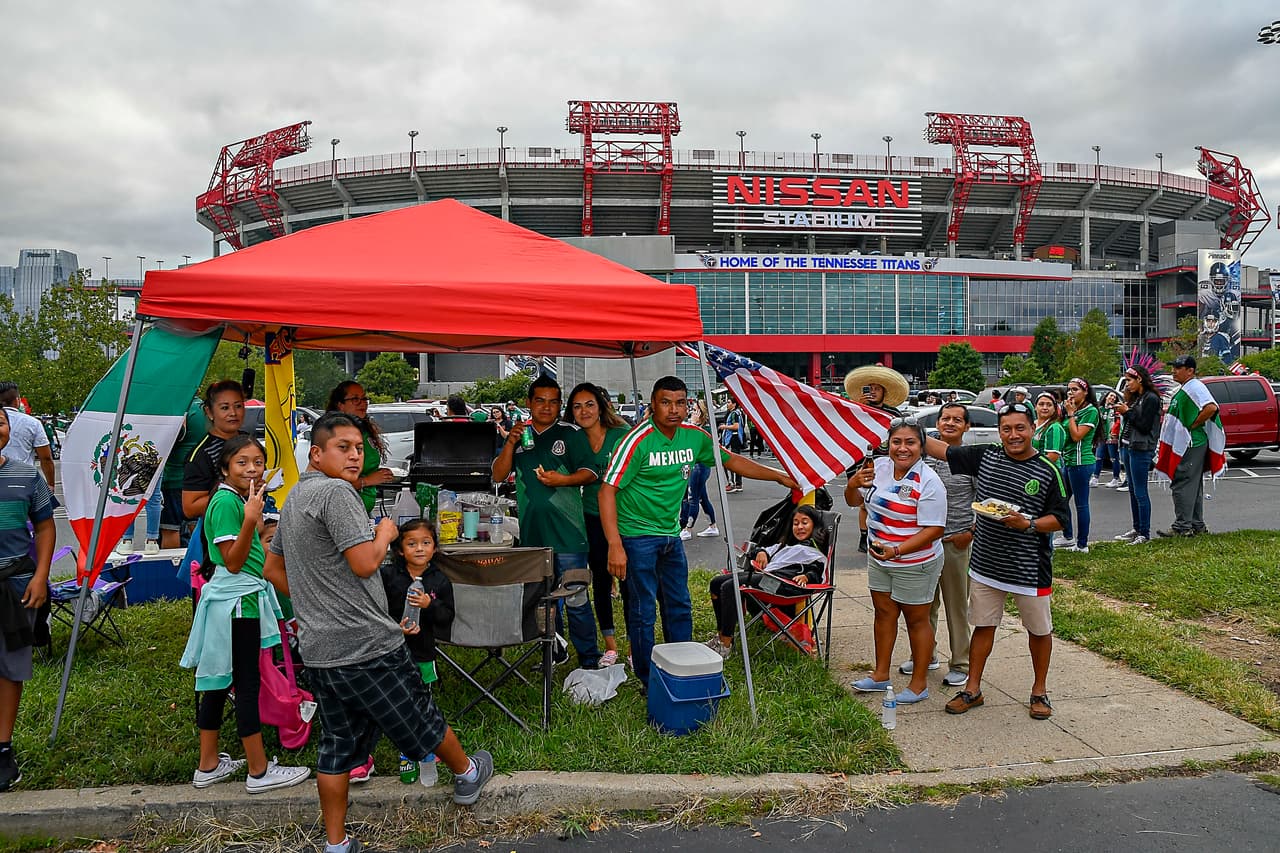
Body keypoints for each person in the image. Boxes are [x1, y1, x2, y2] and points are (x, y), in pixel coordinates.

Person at [264, 413, 493, 852]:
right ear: (316, 453)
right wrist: (385, 533)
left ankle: (336, 843)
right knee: (419, 715)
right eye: (342, 447)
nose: (354, 455)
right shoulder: (337, 493)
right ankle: (467, 773)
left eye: (358, 448)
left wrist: (318, 602)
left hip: (320, 649)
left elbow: (273, 566)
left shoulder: (294, 499)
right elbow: (366, 563)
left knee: (336, 747)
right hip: (367, 644)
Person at [599, 376, 797, 691]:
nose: (674, 410)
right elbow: (607, 491)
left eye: (681, 402)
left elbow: (732, 460)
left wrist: (777, 476)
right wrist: (614, 545)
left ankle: (679, 669)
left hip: (670, 535)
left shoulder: (695, 438)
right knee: (642, 610)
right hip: (636, 537)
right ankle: (648, 678)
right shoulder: (637, 440)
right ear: (654, 404)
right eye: (666, 402)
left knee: (679, 604)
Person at [924, 403, 1070, 721]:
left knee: (1039, 630)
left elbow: (1061, 519)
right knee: (983, 625)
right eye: (1006, 429)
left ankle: (1039, 691)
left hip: (1029, 567)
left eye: (1020, 428)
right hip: (986, 565)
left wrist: (1028, 524)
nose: (1013, 435)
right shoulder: (987, 455)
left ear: (1033, 429)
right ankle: (972, 689)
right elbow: (941, 450)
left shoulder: (1049, 469)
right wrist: (900, 431)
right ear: (999, 431)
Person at [180, 436, 309, 794]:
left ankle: (208, 765)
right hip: (238, 602)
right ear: (224, 469)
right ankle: (258, 770)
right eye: (242, 462)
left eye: (257, 462)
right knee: (247, 684)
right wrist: (252, 519)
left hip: (232, 601)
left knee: (219, 684)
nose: (251, 468)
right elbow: (234, 562)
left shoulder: (235, 498)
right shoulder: (225, 502)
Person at [491, 376, 601, 670]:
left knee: (576, 599)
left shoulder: (571, 434)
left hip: (569, 535)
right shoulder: (519, 435)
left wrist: (563, 480)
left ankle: (589, 660)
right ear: (529, 403)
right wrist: (509, 443)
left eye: (553, 402)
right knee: (544, 603)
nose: (547, 407)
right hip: (533, 535)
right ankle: (555, 653)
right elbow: (499, 475)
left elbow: (591, 473)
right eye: (540, 400)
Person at [846, 418, 947, 704]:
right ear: (888, 444)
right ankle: (880, 675)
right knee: (883, 614)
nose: (903, 448)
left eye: (910, 442)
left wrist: (898, 550)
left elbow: (935, 529)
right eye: (897, 442)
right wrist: (853, 484)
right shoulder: (877, 468)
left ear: (922, 446)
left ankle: (918, 684)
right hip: (881, 558)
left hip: (916, 562)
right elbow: (855, 501)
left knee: (917, 621)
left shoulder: (929, 481)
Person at [349, 519, 454, 786]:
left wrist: (430, 604)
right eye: (412, 544)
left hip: (423, 652)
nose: (420, 549)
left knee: (422, 699)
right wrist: (394, 628)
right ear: (399, 550)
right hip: (388, 651)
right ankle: (369, 752)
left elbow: (447, 618)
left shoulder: (439, 580)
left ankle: (426, 744)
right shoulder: (388, 577)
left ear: (435, 548)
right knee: (384, 701)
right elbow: (374, 609)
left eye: (426, 543)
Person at [0, 408, 55, 792]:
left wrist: (40, 577)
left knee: (10, 668)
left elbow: (46, 525)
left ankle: (3, 748)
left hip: (15, 586)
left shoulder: (26, 474)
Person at [909, 402, 975, 689]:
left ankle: (961, 663)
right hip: (924, 543)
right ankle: (926, 655)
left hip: (955, 542)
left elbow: (986, 503)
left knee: (956, 606)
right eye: (945, 418)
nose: (950, 423)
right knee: (924, 605)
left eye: (957, 420)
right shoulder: (923, 459)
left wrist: (970, 533)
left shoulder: (972, 459)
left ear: (966, 426)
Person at [705, 505, 827, 657]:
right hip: (770, 579)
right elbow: (761, 550)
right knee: (716, 583)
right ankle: (721, 636)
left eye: (805, 522)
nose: (800, 527)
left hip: (785, 585)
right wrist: (762, 552)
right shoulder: (786, 545)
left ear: (814, 525)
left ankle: (726, 644)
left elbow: (817, 571)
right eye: (796, 523)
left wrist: (807, 577)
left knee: (730, 586)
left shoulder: (813, 551)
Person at [567, 382, 629, 669]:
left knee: (630, 584)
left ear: (601, 406)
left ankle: (635, 646)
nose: (584, 411)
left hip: (625, 519)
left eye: (589, 404)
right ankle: (611, 646)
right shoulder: (574, 440)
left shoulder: (622, 434)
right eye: (577, 406)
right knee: (601, 582)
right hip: (591, 516)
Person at [843, 365, 908, 554]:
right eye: (869, 388)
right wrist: (861, 409)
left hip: (888, 464)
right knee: (864, 502)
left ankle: (886, 533)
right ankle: (864, 536)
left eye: (876, 388)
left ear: (884, 392)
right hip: (864, 462)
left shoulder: (894, 414)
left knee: (886, 500)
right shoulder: (857, 411)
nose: (872, 392)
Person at [1157, 355, 1219, 538]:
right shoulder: (1187, 387)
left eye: (1178, 368)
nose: (1173, 371)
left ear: (1190, 370)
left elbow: (1211, 408)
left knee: (1182, 482)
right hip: (1190, 442)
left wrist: (1192, 424)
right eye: (1174, 367)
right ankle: (1196, 525)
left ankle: (1182, 527)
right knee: (1192, 485)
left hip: (1191, 443)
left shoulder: (1196, 387)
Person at [324, 382, 395, 515]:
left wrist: (380, 475)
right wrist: (368, 480)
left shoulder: (363, 429)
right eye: (355, 399)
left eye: (364, 398)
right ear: (340, 405)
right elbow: (332, 487)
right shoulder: (333, 434)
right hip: (344, 512)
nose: (362, 403)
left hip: (362, 511)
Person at [183, 381, 249, 522]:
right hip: (221, 530)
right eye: (225, 408)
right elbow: (190, 507)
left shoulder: (249, 442)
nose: (233, 413)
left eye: (238, 406)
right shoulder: (201, 454)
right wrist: (239, 490)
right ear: (209, 412)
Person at [1112, 365, 1161, 546]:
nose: (1127, 384)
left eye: (1129, 380)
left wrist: (1127, 411)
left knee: (1140, 492)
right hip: (1129, 446)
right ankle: (1137, 528)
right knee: (1133, 491)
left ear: (1139, 379)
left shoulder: (1151, 398)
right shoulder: (1138, 397)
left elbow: (1144, 425)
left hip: (1142, 448)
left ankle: (1144, 533)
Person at [1056, 379, 1099, 554]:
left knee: (1081, 504)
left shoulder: (1091, 411)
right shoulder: (1073, 410)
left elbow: (1076, 436)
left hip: (1081, 462)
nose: (1071, 393)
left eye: (1075, 390)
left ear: (1085, 391)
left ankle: (1082, 544)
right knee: (1062, 500)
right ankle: (1067, 536)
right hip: (1069, 461)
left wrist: (1071, 414)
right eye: (1069, 390)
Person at [160, 396, 207, 549]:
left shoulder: (178, 407)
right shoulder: (206, 409)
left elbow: (167, 442)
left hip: (174, 477)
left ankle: (170, 568)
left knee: (170, 529)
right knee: (197, 527)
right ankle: (200, 564)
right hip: (200, 478)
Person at [0, 383, 54, 495]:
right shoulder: (32, 423)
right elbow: (46, 458)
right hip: (24, 482)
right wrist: (50, 484)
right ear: (17, 400)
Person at [680, 399, 717, 540]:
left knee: (692, 498)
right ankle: (712, 526)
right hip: (697, 466)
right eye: (692, 410)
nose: (692, 413)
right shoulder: (696, 427)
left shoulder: (703, 429)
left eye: (695, 410)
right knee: (702, 498)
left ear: (702, 413)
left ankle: (688, 529)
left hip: (699, 467)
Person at [1094, 391, 1122, 488]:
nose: (1112, 398)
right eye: (1111, 396)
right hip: (1101, 436)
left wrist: (1114, 432)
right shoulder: (1100, 409)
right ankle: (1095, 478)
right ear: (1106, 397)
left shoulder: (1117, 410)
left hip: (1112, 437)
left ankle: (1115, 478)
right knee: (1098, 457)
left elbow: (1118, 422)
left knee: (1114, 458)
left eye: (1114, 397)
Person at [1032, 392, 1067, 468]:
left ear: (1054, 409)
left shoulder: (1054, 427)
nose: (1045, 407)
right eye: (1041, 404)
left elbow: (1052, 457)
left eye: (1049, 405)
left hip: (1048, 471)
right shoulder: (1033, 424)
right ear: (1035, 407)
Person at [719, 399, 746, 492]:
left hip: (732, 439)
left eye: (729, 402)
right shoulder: (738, 413)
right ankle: (738, 484)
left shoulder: (734, 414)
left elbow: (736, 426)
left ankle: (731, 483)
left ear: (734, 404)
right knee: (737, 462)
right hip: (736, 439)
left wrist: (724, 427)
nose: (727, 404)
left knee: (728, 461)